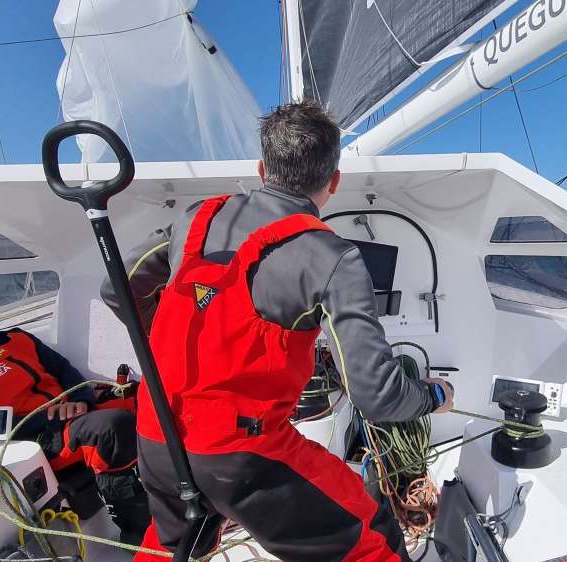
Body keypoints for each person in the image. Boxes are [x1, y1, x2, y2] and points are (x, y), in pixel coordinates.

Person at [102, 101, 454, 562]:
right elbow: (376, 396)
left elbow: (117, 291)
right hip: (240, 454)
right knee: (370, 529)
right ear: (334, 181)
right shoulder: (332, 258)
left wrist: (169, 340)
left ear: (262, 168)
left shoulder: (194, 220)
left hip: (156, 432)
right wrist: (433, 395)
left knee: (177, 548)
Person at [0, 272, 150, 545]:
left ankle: (190, 488)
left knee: (151, 396)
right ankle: (140, 536)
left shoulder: (16, 338)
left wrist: (81, 399)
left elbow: (63, 369)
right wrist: (46, 417)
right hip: (36, 437)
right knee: (109, 428)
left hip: (75, 413)